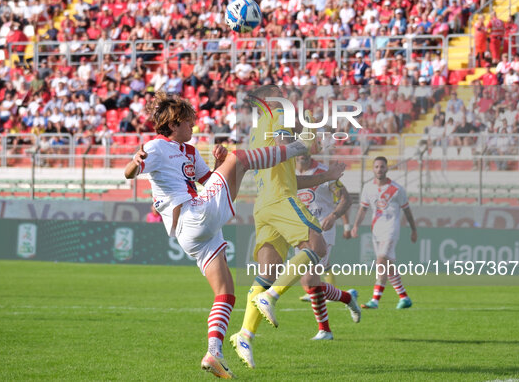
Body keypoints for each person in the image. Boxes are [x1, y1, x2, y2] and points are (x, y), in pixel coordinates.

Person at [124, 92, 315, 379]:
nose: (194, 127)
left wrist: (218, 164)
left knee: (225, 293)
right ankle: (300, 148)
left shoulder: (188, 151)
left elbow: (207, 180)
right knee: (240, 159)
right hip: (192, 216)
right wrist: (135, 159)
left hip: (197, 230)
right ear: (174, 124)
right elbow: (130, 172)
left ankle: (214, 353)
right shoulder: (156, 147)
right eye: (189, 122)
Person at [230, 85, 359, 369]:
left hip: (263, 203)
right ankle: (271, 297)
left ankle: (245, 334)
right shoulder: (277, 113)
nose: (286, 95)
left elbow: (289, 173)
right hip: (280, 200)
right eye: (280, 92)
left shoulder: (254, 130)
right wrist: (309, 129)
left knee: (267, 272)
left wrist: (326, 174)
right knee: (317, 245)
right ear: (270, 99)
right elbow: (295, 149)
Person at [351, 156, 417, 309]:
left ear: (387, 168)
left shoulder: (397, 189)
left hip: (391, 229)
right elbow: (363, 209)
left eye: (382, 166)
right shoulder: (368, 188)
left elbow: (407, 210)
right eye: (376, 167)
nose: (379, 169)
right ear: (373, 169)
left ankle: (375, 300)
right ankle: (404, 297)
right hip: (376, 230)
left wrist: (413, 229)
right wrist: (355, 226)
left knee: (380, 262)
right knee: (388, 265)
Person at [295, 152, 354, 304]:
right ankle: (346, 296)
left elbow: (345, 198)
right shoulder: (288, 172)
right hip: (298, 232)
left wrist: (334, 216)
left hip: (322, 231)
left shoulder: (324, 173)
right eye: (300, 149)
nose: (303, 154)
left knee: (310, 279)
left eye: (307, 149)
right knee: (307, 282)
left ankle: (324, 326)